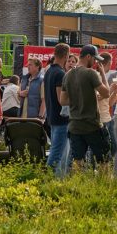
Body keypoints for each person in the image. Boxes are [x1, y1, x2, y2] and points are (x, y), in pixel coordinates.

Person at [60, 45, 110, 167]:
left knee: (78, 161)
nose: (95, 62)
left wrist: (78, 99)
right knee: (103, 161)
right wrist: (102, 73)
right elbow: (106, 93)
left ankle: (80, 179)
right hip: (92, 125)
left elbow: (63, 101)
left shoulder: (68, 75)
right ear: (88, 56)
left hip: (75, 126)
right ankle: (102, 180)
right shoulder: (90, 73)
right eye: (95, 59)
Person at [44, 43, 70, 176]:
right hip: (61, 118)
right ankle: (47, 179)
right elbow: (62, 100)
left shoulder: (49, 71)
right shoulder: (60, 73)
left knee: (61, 154)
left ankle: (58, 181)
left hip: (52, 116)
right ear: (66, 56)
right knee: (57, 153)